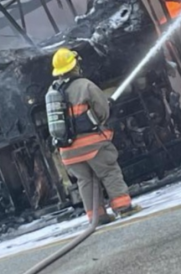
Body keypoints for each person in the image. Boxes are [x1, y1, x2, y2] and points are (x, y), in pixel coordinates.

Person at [49, 48, 141, 224]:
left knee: (85, 181)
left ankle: (97, 217)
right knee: (109, 172)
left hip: (68, 151)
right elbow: (102, 112)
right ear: (75, 66)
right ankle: (124, 208)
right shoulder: (85, 85)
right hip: (93, 146)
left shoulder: (52, 92)